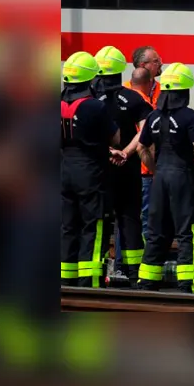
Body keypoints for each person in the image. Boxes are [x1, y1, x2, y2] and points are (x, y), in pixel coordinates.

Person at [136, 62, 194, 294]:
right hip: (183, 177)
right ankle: (189, 282)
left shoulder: (154, 117)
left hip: (160, 179)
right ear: (184, 91)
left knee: (156, 230)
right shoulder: (190, 116)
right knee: (188, 231)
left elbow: (140, 147)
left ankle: (148, 281)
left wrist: (156, 169)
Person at [60, 51, 120, 288]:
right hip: (91, 173)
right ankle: (91, 278)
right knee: (93, 225)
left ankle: (66, 275)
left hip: (64, 170)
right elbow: (115, 138)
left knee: (68, 225)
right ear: (92, 79)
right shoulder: (96, 106)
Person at [93, 46, 151, 284]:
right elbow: (147, 127)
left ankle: (97, 271)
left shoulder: (89, 100)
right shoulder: (133, 98)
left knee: (100, 222)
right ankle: (134, 271)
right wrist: (126, 152)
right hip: (127, 169)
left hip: (99, 170)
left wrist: (107, 152)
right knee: (130, 219)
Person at [128, 46, 162, 242]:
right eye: (156, 61)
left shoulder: (161, 90)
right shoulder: (127, 92)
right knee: (138, 217)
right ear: (143, 65)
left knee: (151, 217)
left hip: (153, 167)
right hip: (138, 167)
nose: (160, 64)